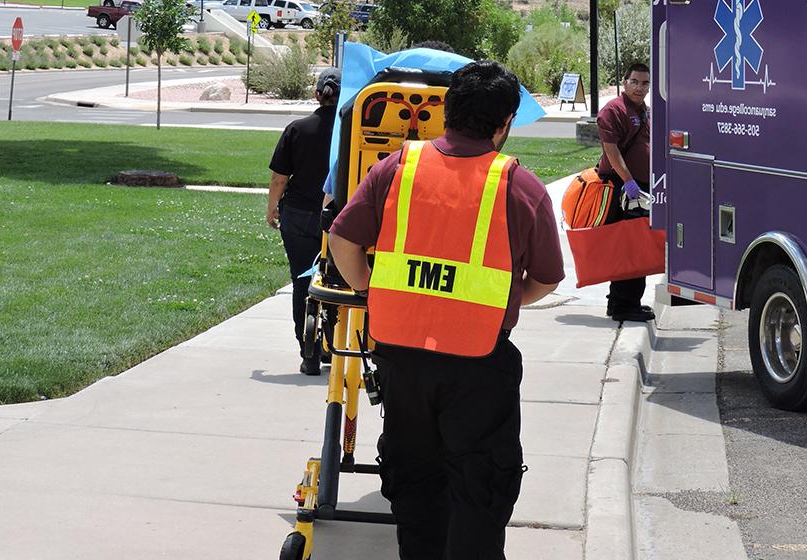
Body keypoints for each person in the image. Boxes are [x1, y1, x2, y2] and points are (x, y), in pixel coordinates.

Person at [327, 60, 563, 560]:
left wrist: (372, 290)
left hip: (402, 362)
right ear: (504, 125)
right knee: (479, 488)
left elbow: (342, 240)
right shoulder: (520, 187)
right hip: (479, 367)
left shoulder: (397, 168)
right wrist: (504, 300)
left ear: (447, 112)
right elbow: (545, 278)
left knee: (415, 484)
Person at [267, 66, 341, 376]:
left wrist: (272, 208)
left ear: (316, 94)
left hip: (297, 216)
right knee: (339, 283)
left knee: (301, 281)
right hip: (338, 219)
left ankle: (307, 351)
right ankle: (332, 345)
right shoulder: (351, 134)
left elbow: (279, 179)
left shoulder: (297, 128)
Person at [596, 61, 654, 322]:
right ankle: (621, 305)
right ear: (624, 82)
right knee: (628, 247)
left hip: (640, 189)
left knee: (637, 246)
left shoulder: (646, 111)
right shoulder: (614, 110)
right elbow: (612, 150)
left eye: (645, 83)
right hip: (624, 188)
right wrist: (629, 181)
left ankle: (630, 301)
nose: (640, 88)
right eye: (635, 82)